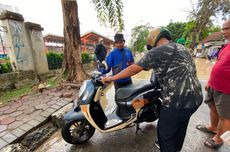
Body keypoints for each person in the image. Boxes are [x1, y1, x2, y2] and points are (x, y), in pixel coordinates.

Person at [101, 27, 203, 152]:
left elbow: (133, 68)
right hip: (196, 98)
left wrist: (111, 78)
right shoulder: (182, 48)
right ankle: (177, 148)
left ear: (153, 41)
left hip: (176, 102)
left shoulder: (157, 51)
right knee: (181, 126)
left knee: (165, 135)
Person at [196, 19, 230, 149]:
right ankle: (213, 127)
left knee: (226, 116)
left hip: (227, 89)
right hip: (215, 85)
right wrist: (210, 81)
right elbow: (218, 65)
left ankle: (219, 139)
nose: (224, 32)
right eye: (223, 29)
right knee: (212, 107)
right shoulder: (226, 46)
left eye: (227, 28)